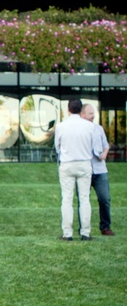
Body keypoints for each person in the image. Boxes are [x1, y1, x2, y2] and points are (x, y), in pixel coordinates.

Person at [54, 98, 96, 240]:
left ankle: (68, 233)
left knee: (67, 199)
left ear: (68, 109)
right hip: (84, 163)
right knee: (84, 198)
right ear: (81, 110)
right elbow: (93, 146)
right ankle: (85, 232)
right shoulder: (90, 126)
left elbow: (57, 147)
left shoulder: (61, 126)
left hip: (67, 164)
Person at [80, 103, 115, 235]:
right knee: (83, 201)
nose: (93, 116)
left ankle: (105, 227)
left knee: (104, 199)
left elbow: (106, 145)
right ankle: (84, 229)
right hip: (85, 169)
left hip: (100, 170)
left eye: (93, 113)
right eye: (90, 113)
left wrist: (105, 153)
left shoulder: (98, 129)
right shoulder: (79, 130)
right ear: (82, 115)